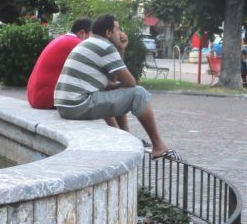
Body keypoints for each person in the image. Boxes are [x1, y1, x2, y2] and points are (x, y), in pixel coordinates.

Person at [55, 14, 179, 160]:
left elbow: (112, 81)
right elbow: (131, 83)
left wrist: (120, 50)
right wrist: (119, 48)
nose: (120, 33)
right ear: (108, 33)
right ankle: (158, 146)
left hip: (66, 105)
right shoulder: (105, 47)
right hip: (79, 105)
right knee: (139, 93)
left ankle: (125, 136)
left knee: (119, 92)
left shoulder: (89, 43)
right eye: (117, 29)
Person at [27, 18, 92, 110]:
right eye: (91, 36)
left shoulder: (61, 39)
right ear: (82, 33)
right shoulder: (77, 43)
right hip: (45, 99)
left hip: (34, 95)